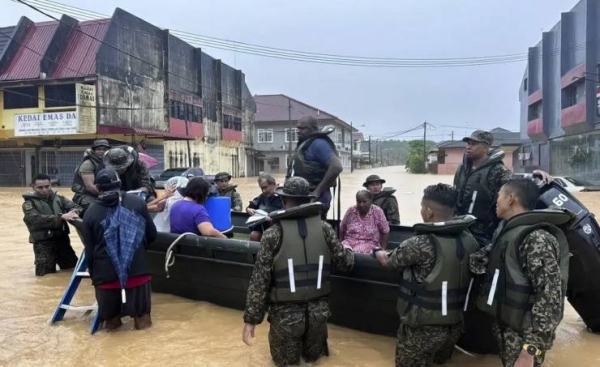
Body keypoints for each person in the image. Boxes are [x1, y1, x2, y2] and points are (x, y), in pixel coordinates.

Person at [453, 130, 552, 355]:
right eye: (467, 143)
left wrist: (534, 176)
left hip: (482, 233)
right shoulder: (463, 169)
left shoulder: (496, 170)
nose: (468, 147)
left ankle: (483, 325)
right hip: (461, 227)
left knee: (477, 273)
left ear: (486, 147)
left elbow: (514, 191)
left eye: (474, 144)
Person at [242, 177, 355, 367]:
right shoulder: (326, 229)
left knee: (286, 364)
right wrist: (349, 250)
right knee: (313, 362)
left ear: (284, 200)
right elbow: (345, 264)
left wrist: (251, 320)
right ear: (309, 200)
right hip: (318, 315)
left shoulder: (273, 234)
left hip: (285, 317)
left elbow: (259, 281)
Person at [373, 184, 480, 367]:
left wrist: (376, 251)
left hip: (423, 329)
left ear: (429, 211)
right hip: (454, 326)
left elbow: (388, 262)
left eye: (422, 207)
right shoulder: (469, 239)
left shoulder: (420, 243)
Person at [474, 178, 571, 367]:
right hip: (508, 328)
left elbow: (551, 296)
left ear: (511, 199)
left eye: (499, 196)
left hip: (524, 338)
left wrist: (531, 350)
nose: (496, 202)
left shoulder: (537, 239)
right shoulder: (508, 232)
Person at [82, 168, 157, 331]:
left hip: (106, 276)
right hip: (137, 272)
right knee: (143, 319)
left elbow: (89, 250)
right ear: (120, 183)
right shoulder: (137, 203)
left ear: (98, 188)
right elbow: (152, 235)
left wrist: (96, 278)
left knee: (111, 323)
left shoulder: (90, 212)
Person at [22, 174, 81, 276]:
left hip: (62, 241)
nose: (44, 190)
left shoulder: (59, 198)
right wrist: (61, 217)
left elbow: (77, 207)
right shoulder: (29, 203)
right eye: (40, 187)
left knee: (72, 270)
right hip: (43, 244)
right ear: (33, 187)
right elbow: (34, 219)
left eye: (47, 186)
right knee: (44, 277)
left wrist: (73, 212)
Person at [286, 115, 343, 220]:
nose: (298, 131)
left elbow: (336, 166)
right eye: (298, 128)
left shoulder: (318, 144)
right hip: (301, 199)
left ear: (314, 129)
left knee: (312, 233)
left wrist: (317, 191)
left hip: (314, 201)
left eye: (303, 128)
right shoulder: (304, 144)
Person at [71, 139, 110, 214]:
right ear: (94, 150)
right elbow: (90, 187)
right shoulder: (88, 164)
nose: (101, 151)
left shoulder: (107, 162)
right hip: (86, 195)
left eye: (104, 149)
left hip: (102, 193)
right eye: (98, 149)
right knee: (94, 209)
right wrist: (108, 195)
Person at [246, 173, 283, 241]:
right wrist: (248, 209)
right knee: (254, 235)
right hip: (263, 226)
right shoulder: (262, 196)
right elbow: (251, 205)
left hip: (279, 226)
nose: (264, 191)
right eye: (261, 188)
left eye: (265, 187)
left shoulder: (283, 197)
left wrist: (274, 217)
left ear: (273, 184)